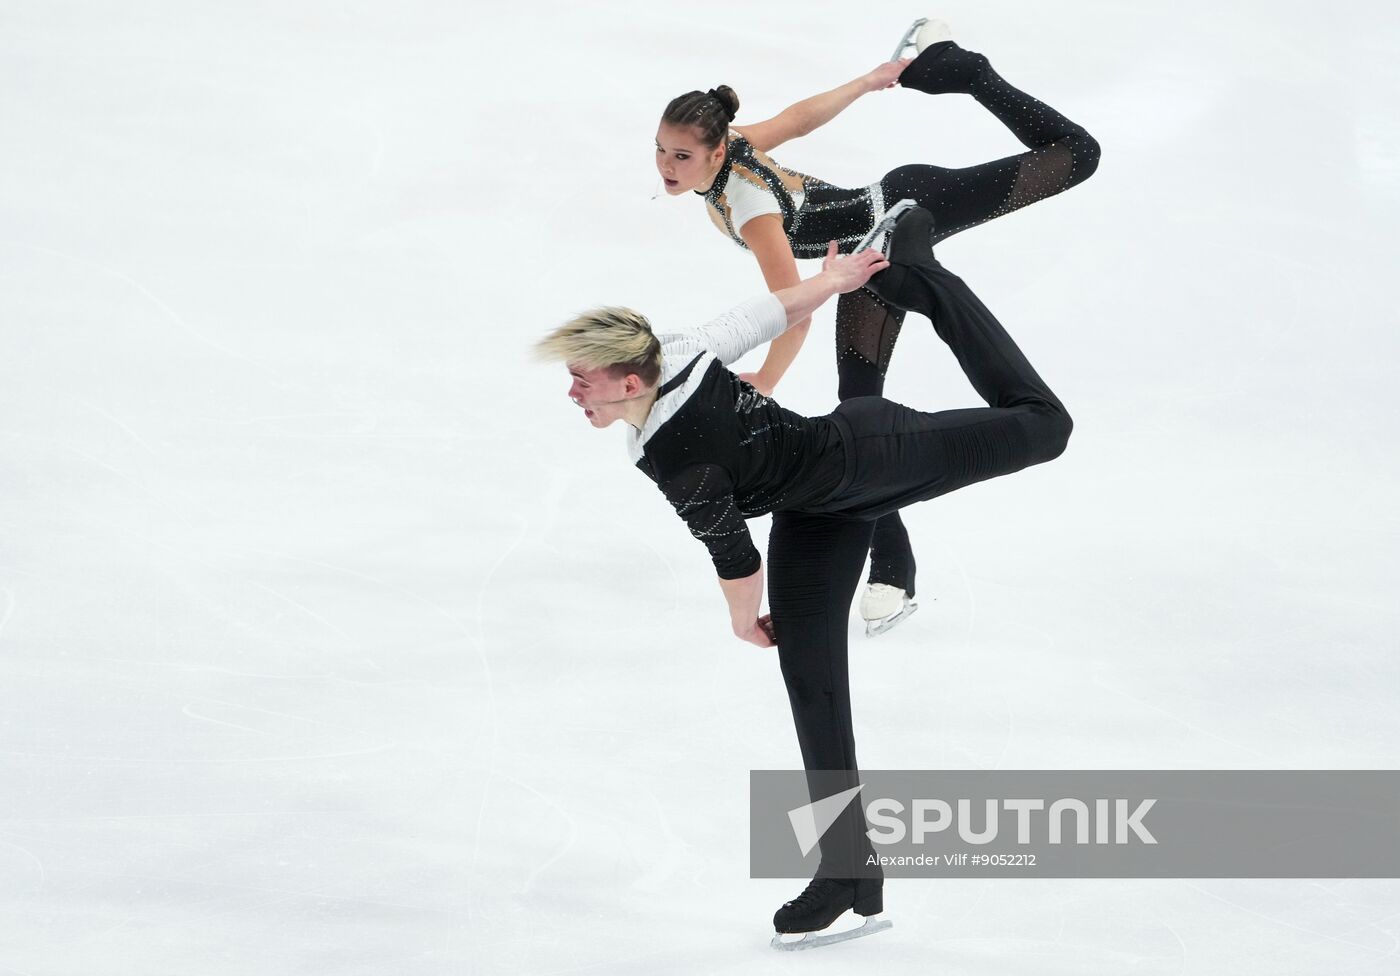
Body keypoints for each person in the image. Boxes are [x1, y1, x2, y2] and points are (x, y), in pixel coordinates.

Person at [536, 205, 1073, 946]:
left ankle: (925, 276)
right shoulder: (676, 362)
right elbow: (758, 317)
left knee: (1047, 427)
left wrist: (741, 620)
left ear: (630, 380)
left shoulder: (678, 459)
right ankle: (847, 871)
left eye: (581, 382)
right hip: (813, 515)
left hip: (871, 455)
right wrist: (831, 283)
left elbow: (735, 557)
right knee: (811, 681)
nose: (572, 394)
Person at [654, 19, 1100, 635]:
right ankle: (894, 570)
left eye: (680, 156)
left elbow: (792, 307)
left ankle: (968, 71)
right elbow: (798, 119)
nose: (666, 165)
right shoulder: (731, 148)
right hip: (866, 259)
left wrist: (769, 378)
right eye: (661, 149)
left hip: (907, 208)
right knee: (859, 410)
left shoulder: (752, 208)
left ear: (714, 151)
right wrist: (866, 81)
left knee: (1077, 155)